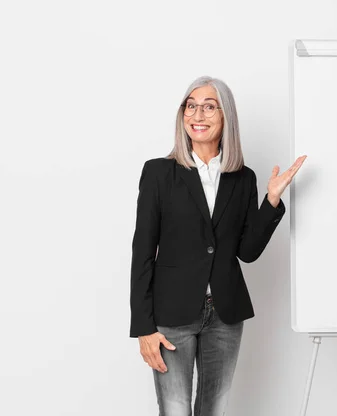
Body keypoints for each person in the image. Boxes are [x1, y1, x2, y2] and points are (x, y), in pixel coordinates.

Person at [129, 75, 306, 416]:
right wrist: (143, 328)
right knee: (175, 409)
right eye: (191, 106)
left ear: (226, 117)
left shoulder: (242, 178)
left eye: (209, 107)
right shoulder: (159, 173)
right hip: (171, 315)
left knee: (214, 409)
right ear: (183, 116)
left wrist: (270, 201)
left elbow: (247, 251)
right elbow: (143, 253)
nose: (198, 114)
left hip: (225, 316)